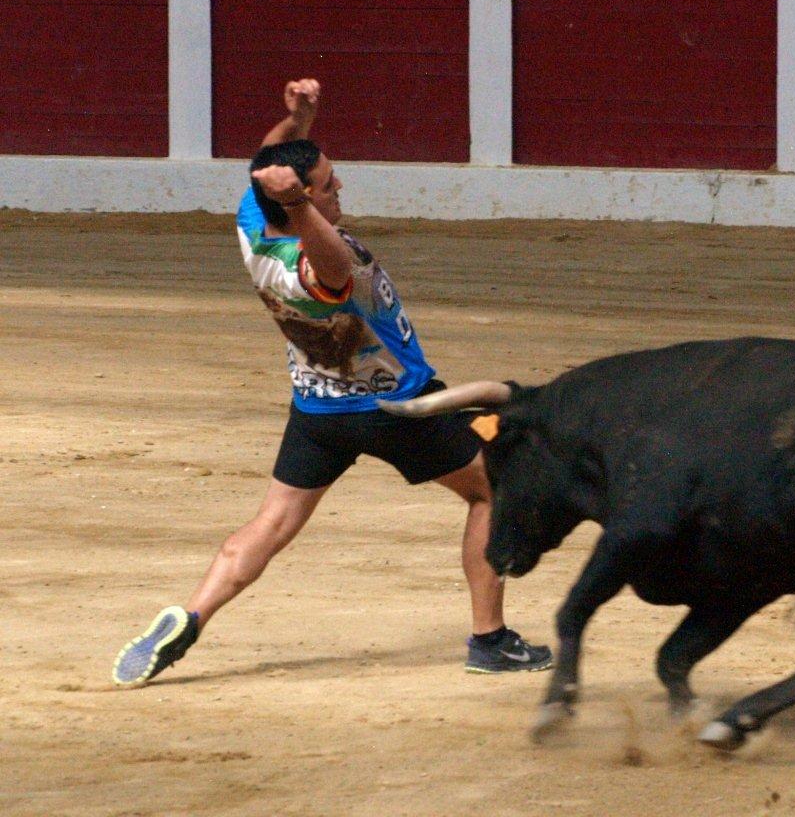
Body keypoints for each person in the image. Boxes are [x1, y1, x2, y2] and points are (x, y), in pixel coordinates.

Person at [111, 79, 551, 687]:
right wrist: (303, 204)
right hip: (400, 408)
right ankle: (490, 639)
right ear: (299, 203)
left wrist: (296, 124)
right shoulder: (314, 264)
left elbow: (264, 171)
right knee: (492, 490)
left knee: (271, 525)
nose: (338, 186)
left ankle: (191, 617)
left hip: (318, 409)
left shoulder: (254, 231)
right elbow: (335, 268)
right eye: (325, 185)